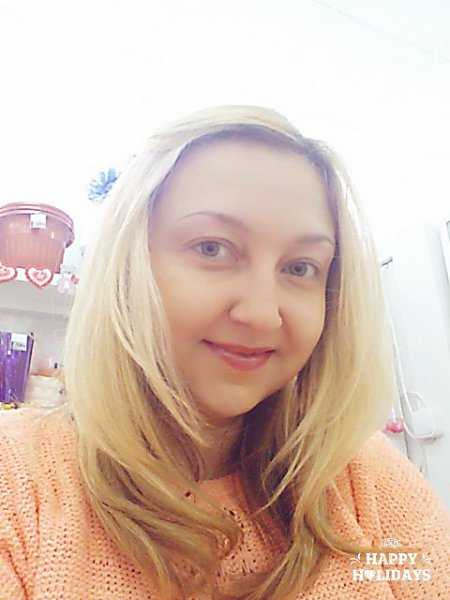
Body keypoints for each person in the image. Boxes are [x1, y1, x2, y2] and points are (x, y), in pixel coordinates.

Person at [0, 105, 449, 600]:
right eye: (212, 248)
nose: (262, 314)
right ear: (126, 265)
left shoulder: (366, 478)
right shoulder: (17, 479)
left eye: (300, 267)